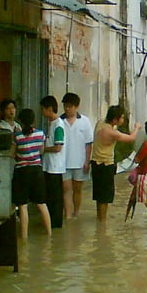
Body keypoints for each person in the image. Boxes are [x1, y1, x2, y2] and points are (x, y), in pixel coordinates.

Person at [91, 105, 141, 222]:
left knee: (99, 196)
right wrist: (137, 127)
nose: (123, 120)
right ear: (115, 119)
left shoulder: (100, 123)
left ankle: (99, 219)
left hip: (95, 163)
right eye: (122, 118)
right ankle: (102, 223)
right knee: (105, 197)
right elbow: (131, 138)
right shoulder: (112, 132)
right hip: (106, 165)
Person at [12, 108, 52, 239]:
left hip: (22, 171)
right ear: (33, 120)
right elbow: (41, 151)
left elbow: (13, 154)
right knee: (41, 203)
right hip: (37, 171)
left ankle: (24, 237)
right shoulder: (41, 134)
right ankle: (49, 234)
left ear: (21, 121)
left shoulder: (17, 136)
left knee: (23, 205)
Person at [60, 93, 93, 219]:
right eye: (65, 106)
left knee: (77, 190)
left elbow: (88, 143)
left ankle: (76, 213)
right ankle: (68, 215)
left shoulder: (84, 121)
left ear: (76, 106)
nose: (67, 109)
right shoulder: (60, 121)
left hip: (80, 162)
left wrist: (87, 161)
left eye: (70, 106)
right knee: (66, 189)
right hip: (63, 163)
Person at [40, 95, 66, 228]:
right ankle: (50, 223)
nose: (42, 112)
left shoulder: (59, 125)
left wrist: (44, 149)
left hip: (55, 167)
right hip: (49, 166)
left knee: (55, 199)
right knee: (50, 197)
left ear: (49, 109)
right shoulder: (52, 124)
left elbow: (58, 147)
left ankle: (55, 224)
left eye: (43, 109)